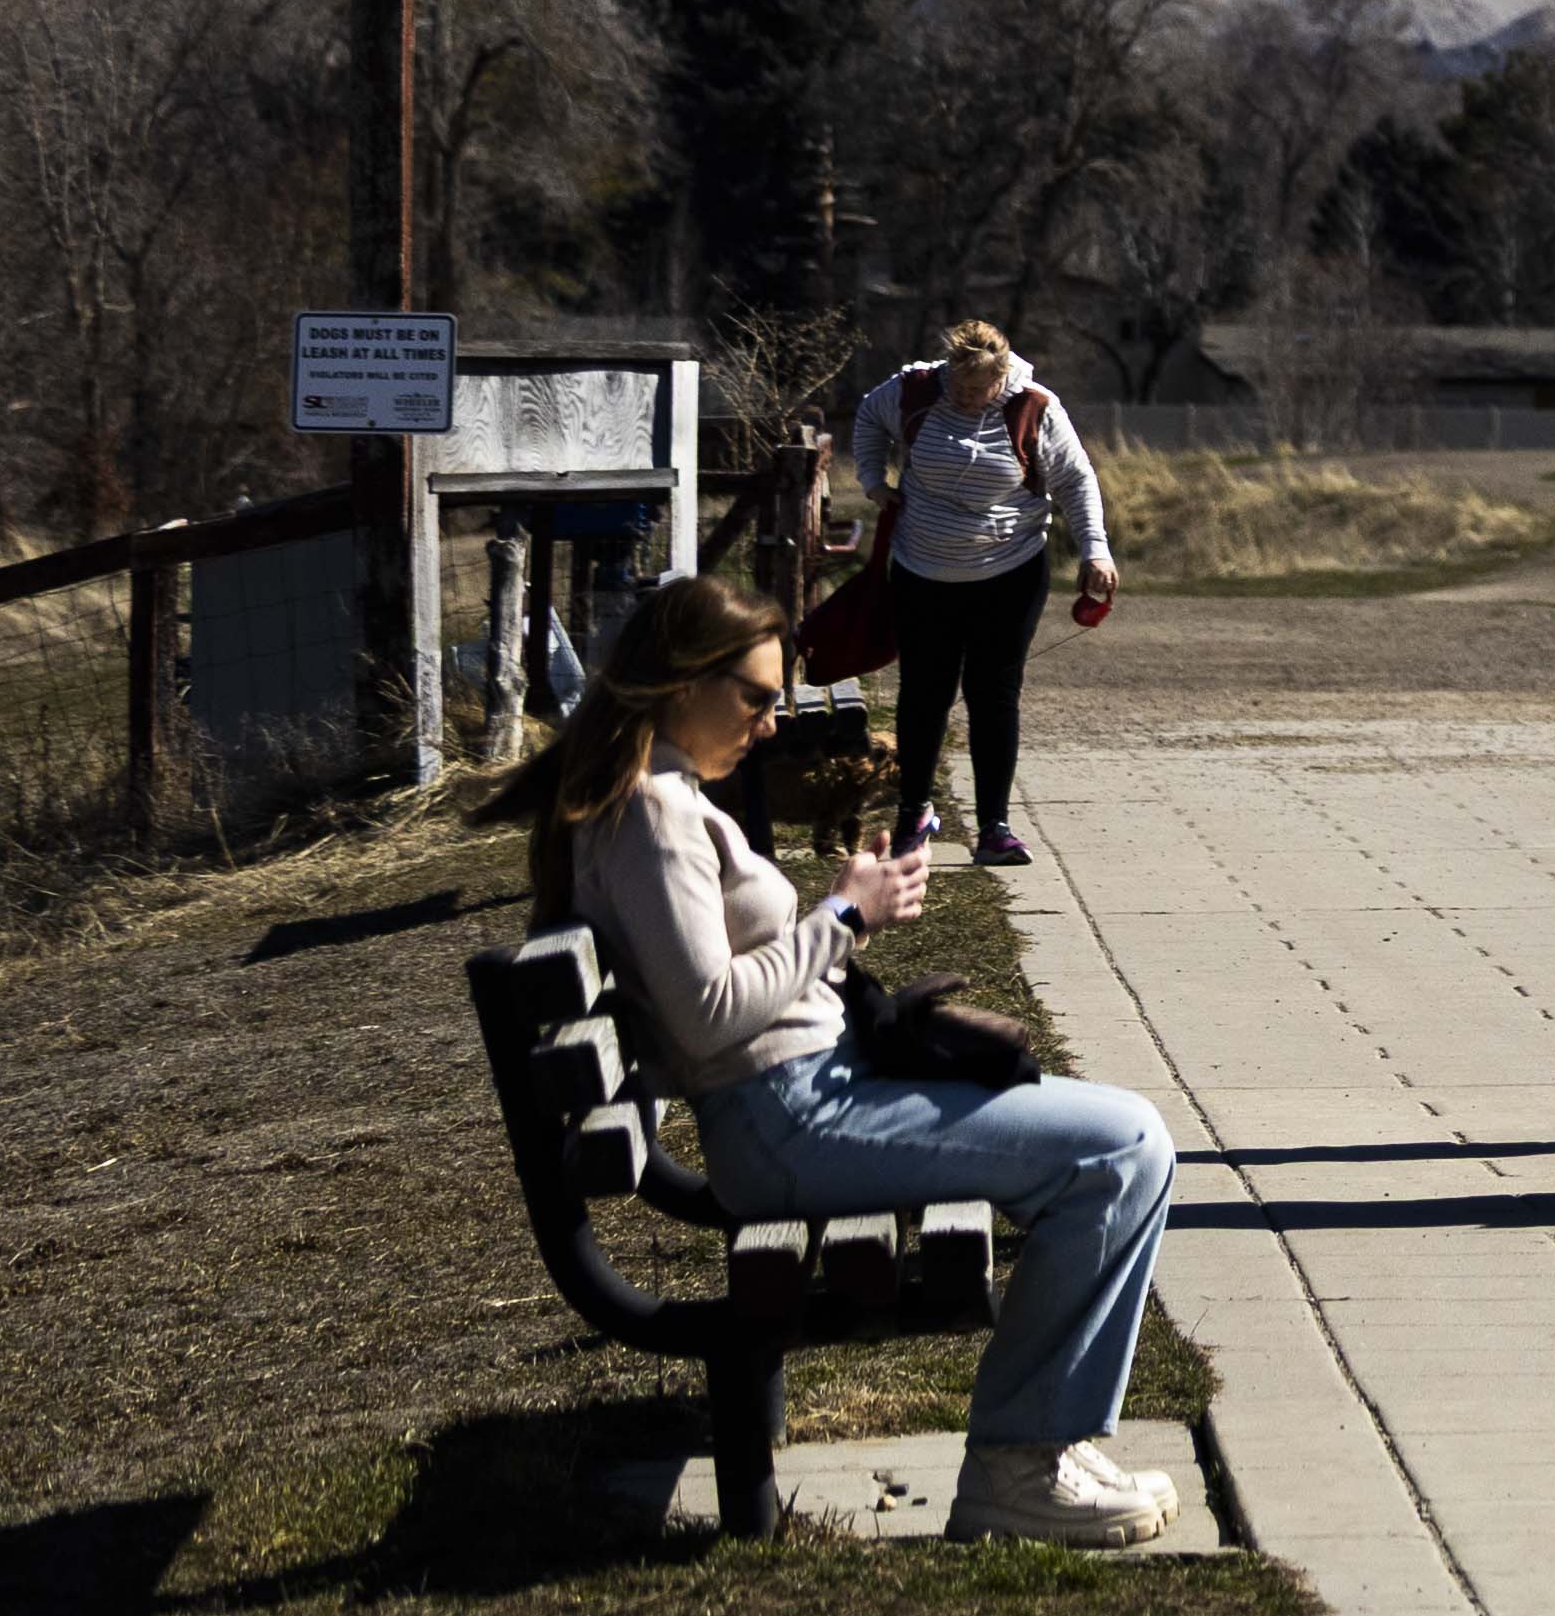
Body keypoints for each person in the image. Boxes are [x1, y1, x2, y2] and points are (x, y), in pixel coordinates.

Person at [475, 572, 1183, 1547]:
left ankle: (1041, 1443)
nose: (771, 724)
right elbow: (709, 1010)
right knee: (1121, 1149)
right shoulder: (650, 812)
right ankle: (1020, 1463)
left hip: (815, 1097)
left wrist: (852, 903)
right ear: (683, 682)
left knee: (1128, 1139)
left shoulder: (665, 796)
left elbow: (721, 983)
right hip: (788, 1119)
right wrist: (845, 915)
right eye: (758, 698)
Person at [847, 322, 1116, 864]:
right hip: (923, 569)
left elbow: (1075, 480)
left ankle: (994, 826)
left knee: (994, 695)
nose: (966, 399)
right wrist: (873, 481)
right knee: (925, 694)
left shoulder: (1034, 407)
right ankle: (913, 816)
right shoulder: (915, 391)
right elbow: (868, 421)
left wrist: (1096, 550)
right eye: (959, 388)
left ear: (1003, 378)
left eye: (979, 391)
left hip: (1010, 571)